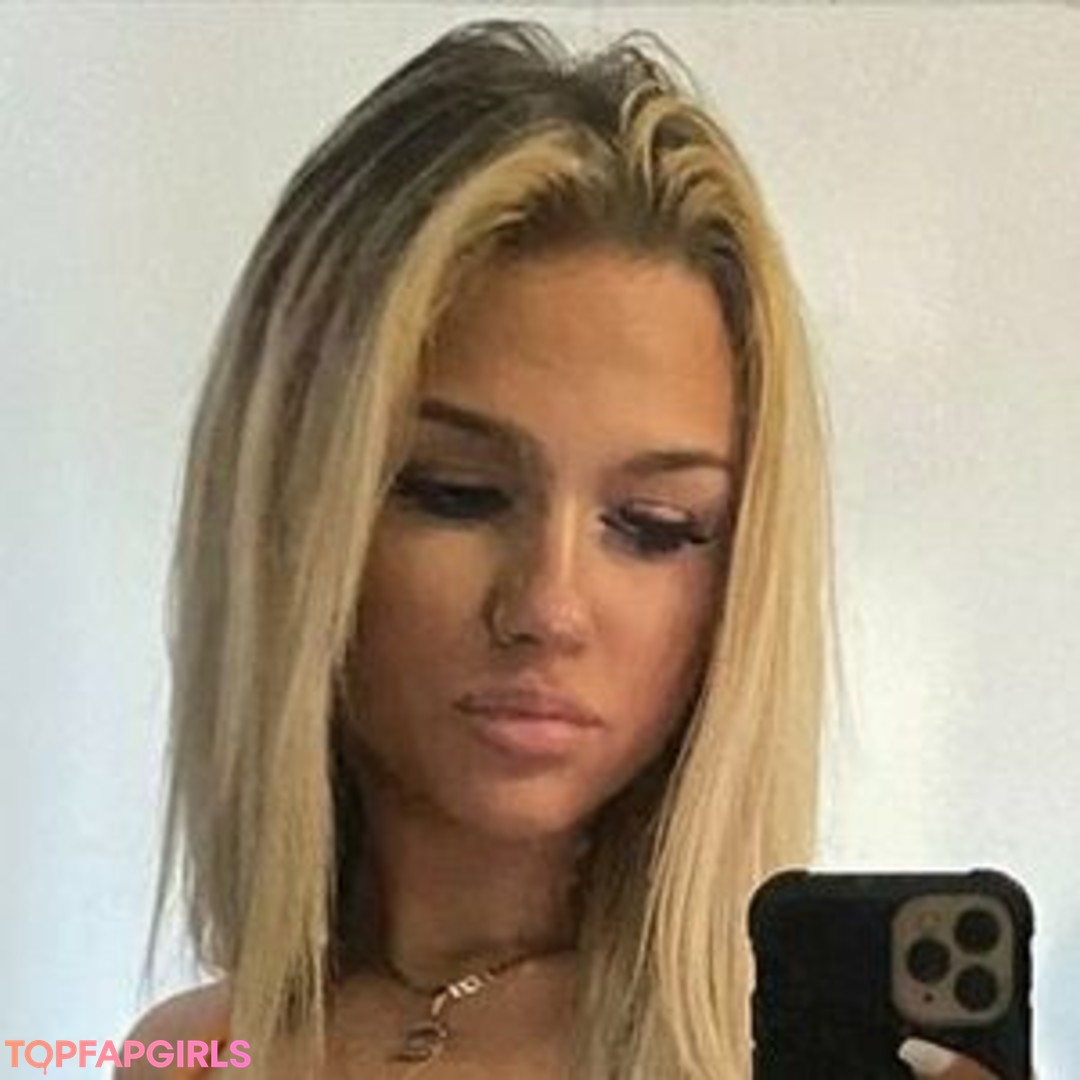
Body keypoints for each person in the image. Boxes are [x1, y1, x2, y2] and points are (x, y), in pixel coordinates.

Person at [117, 18, 1006, 1080]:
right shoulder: (185, 1056)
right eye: (457, 492)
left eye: (655, 526)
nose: (548, 605)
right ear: (291, 513)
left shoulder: (772, 1057)